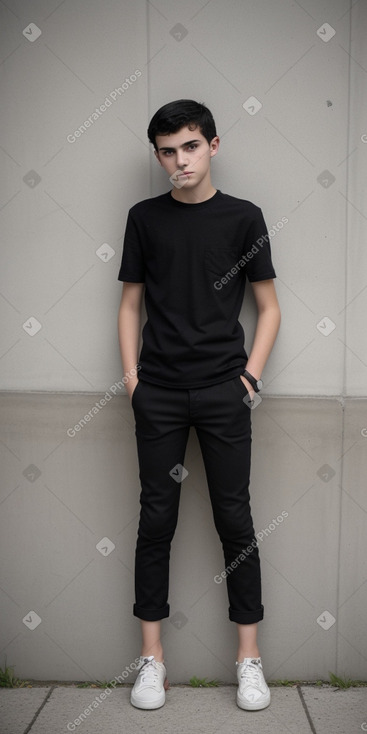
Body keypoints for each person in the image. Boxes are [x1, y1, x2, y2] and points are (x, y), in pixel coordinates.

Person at [117, 99, 281, 712]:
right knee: (155, 521)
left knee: (234, 520)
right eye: (167, 150)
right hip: (157, 393)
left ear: (213, 145)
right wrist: (133, 379)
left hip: (223, 392)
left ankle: (248, 660)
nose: (178, 160)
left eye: (189, 146)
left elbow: (269, 308)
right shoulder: (144, 218)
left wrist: (249, 379)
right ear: (157, 155)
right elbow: (130, 304)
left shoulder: (244, 218)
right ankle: (152, 661)